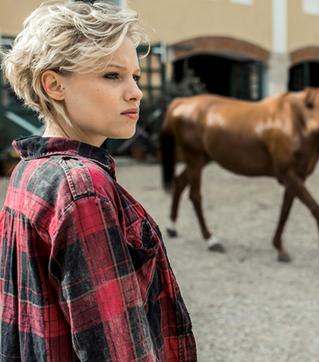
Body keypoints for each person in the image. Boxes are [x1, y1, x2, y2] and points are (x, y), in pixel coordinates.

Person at [0, 2, 197, 360]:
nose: (135, 91)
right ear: (54, 84)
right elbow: (118, 349)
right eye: (112, 75)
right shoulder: (83, 189)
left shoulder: (28, 171)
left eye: (134, 76)